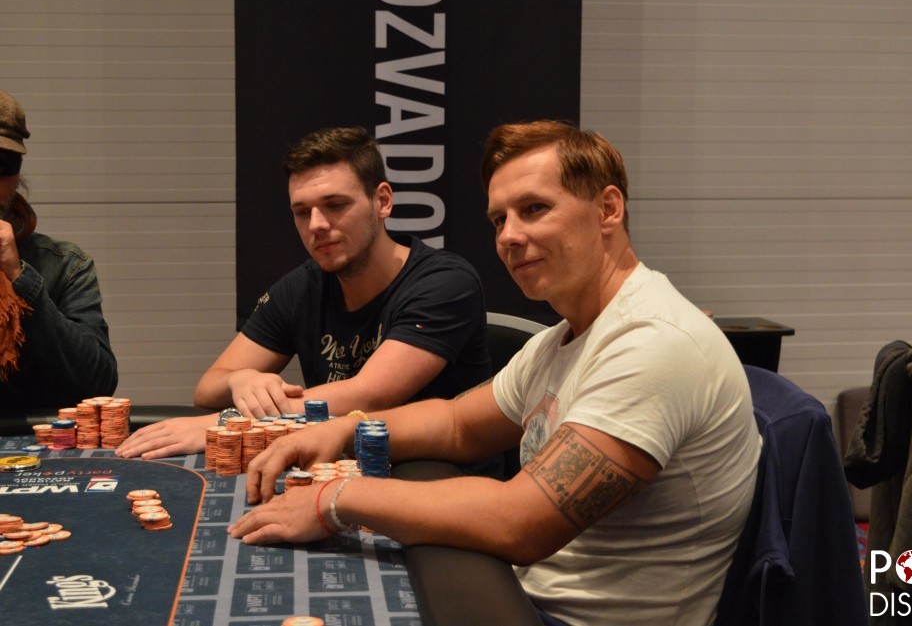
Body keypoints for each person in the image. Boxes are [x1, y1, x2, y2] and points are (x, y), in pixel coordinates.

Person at [227, 120, 761, 626]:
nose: (509, 235)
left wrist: (335, 499)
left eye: (534, 209)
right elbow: (458, 424)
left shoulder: (653, 345)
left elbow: (519, 521)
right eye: (499, 220)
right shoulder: (561, 339)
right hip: (520, 594)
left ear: (607, 209)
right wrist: (344, 429)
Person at [116, 126, 491, 460]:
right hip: (342, 462)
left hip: (439, 470)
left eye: (335, 205)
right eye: (301, 211)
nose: (316, 225)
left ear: (382, 201)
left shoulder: (445, 282)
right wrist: (240, 381)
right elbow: (208, 387)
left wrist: (228, 422)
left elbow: (369, 395)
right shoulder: (302, 286)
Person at [0, 89, 118, 407]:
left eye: (2, 164)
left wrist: (20, 278)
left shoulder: (66, 266)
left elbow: (98, 384)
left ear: (17, 174)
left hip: (34, 435)